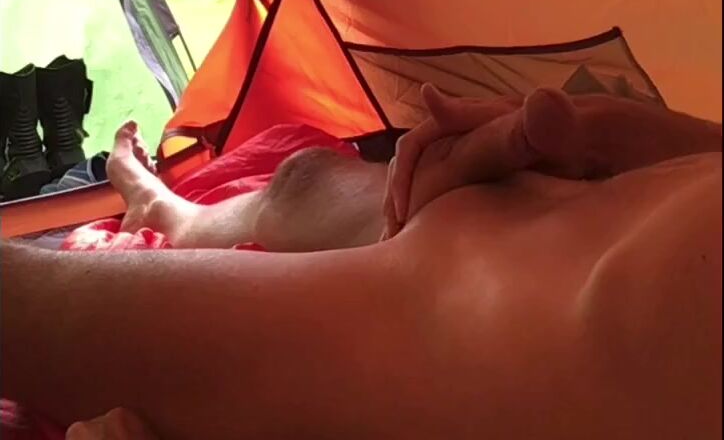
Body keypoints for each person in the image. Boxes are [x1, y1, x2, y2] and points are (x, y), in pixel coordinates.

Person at [1, 88, 721, 440]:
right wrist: (611, 129)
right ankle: (170, 211)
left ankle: (165, 211)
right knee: (304, 177)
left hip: (508, 319)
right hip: (592, 216)